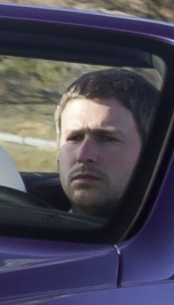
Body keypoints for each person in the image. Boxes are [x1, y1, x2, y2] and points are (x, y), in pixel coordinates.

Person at [55, 67, 159, 220]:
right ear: (57, 153)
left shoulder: (172, 235)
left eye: (106, 138)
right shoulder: (29, 228)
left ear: (152, 153)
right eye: (75, 138)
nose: (83, 155)